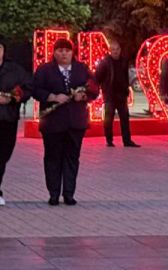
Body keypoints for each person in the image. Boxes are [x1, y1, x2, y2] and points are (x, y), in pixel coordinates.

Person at [33, 38, 98, 206]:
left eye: (67, 50)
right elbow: (35, 89)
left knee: (72, 158)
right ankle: (53, 193)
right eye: (60, 50)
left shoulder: (81, 69)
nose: (64, 54)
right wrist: (52, 97)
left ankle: (69, 193)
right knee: (52, 158)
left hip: (75, 122)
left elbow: (94, 89)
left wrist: (83, 96)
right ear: (54, 52)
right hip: (52, 123)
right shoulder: (45, 70)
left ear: (72, 52)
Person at [0, 37, 32, 206]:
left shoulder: (15, 70)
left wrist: (13, 97)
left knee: (3, 155)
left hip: (7, 119)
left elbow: (28, 88)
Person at [95, 36, 139, 148]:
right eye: (113, 49)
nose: (115, 51)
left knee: (125, 118)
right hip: (110, 95)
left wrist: (126, 89)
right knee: (109, 119)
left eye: (117, 49)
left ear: (120, 49)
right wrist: (102, 89)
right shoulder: (105, 62)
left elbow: (125, 76)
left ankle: (127, 140)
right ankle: (109, 140)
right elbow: (97, 77)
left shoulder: (124, 61)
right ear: (110, 50)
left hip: (121, 94)